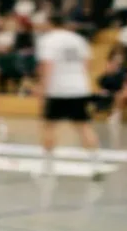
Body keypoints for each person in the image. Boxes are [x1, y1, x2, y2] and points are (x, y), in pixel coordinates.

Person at [36, 15, 102, 178]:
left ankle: (47, 167)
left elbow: (47, 65)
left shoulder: (48, 40)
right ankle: (96, 166)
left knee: (49, 126)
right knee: (84, 126)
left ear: (49, 23)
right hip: (79, 88)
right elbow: (87, 64)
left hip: (57, 89)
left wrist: (43, 89)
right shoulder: (78, 39)